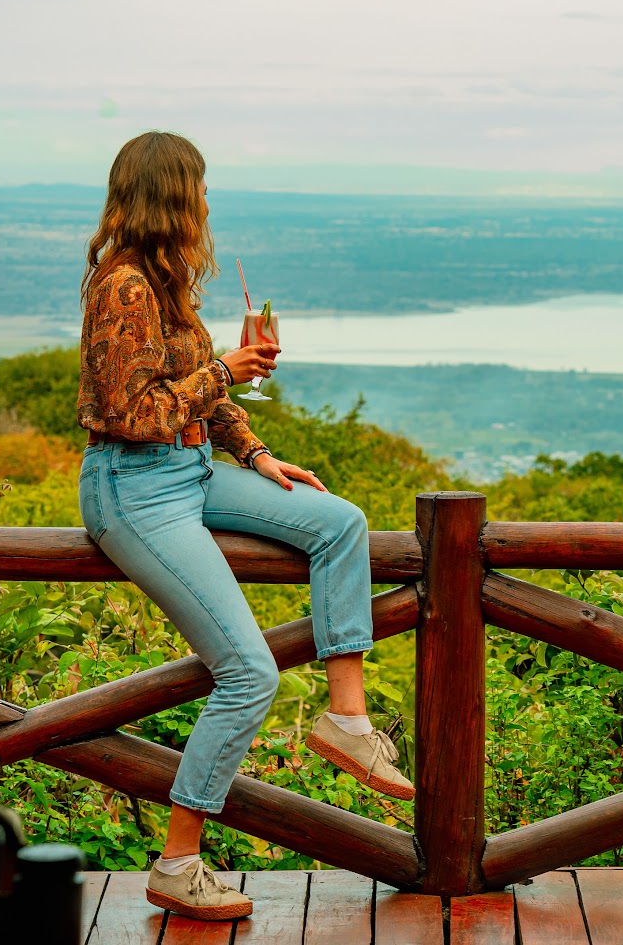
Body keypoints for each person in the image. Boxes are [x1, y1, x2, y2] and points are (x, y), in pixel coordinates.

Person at [76, 131, 412, 922]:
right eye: (196, 188)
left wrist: (257, 453)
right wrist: (227, 367)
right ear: (171, 195)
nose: (204, 204)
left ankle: (347, 719)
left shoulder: (167, 280)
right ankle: (178, 861)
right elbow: (137, 413)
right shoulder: (122, 285)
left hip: (192, 473)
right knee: (250, 673)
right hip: (132, 489)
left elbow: (197, 401)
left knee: (339, 522)